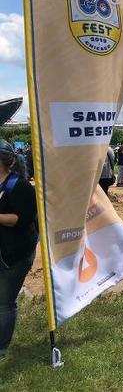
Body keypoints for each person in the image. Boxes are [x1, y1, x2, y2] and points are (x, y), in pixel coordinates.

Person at [0, 140, 38, 360]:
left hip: (14, 253)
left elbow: (20, 219)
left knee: (4, 301)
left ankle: (2, 347)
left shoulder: (20, 186)